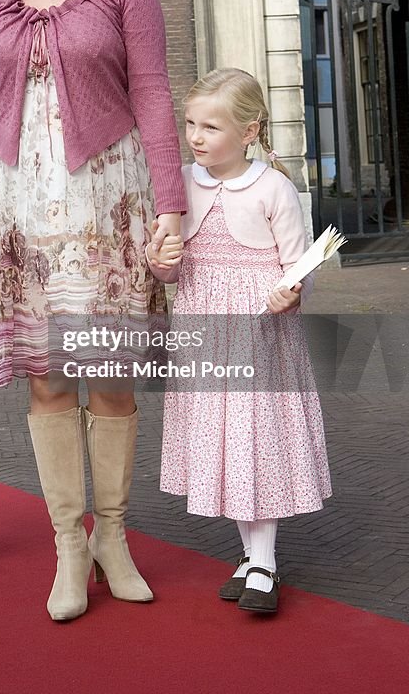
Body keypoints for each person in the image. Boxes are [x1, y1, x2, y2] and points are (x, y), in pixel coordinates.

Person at [0, 0, 186, 619]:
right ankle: (66, 546)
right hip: (21, 207)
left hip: (108, 203)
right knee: (49, 380)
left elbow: (153, 92)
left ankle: (113, 536)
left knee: (110, 381)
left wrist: (170, 205)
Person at [147, 67, 332, 614]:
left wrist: (291, 292)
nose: (196, 137)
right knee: (222, 441)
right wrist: (161, 263)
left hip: (258, 333)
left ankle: (264, 564)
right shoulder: (179, 183)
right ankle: (251, 557)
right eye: (190, 124)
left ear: (249, 131)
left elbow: (300, 265)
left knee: (254, 440)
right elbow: (167, 267)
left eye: (211, 126)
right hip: (203, 332)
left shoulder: (273, 186)